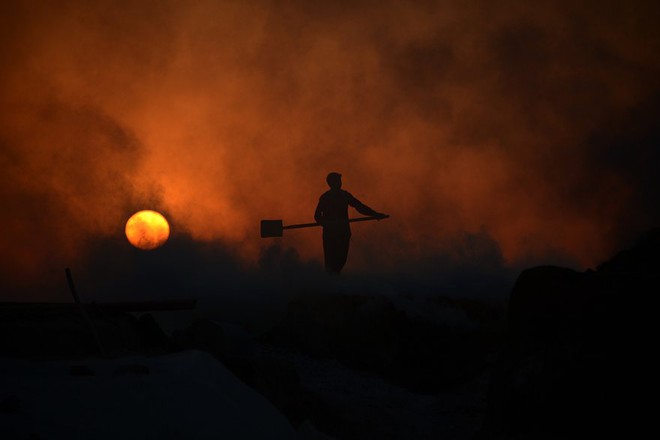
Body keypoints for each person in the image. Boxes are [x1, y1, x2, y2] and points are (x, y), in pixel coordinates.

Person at [314, 172, 387, 275]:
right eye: (337, 181)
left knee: (340, 260)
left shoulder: (345, 195)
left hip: (343, 233)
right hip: (330, 234)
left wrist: (375, 214)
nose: (339, 183)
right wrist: (326, 223)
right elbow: (317, 216)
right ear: (331, 183)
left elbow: (359, 207)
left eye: (340, 181)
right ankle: (329, 285)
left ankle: (334, 283)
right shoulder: (325, 197)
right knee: (330, 263)